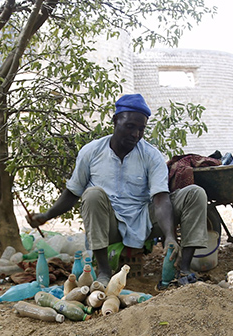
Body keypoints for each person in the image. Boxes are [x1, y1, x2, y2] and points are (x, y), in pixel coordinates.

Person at [26, 94, 207, 285]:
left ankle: (184, 268)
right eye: (130, 126)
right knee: (92, 194)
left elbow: (161, 198)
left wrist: (170, 235)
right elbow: (73, 192)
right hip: (108, 225)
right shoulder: (92, 151)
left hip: (144, 222)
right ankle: (104, 271)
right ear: (115, 120)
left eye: (141, 129)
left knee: (194, 193)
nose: (136, 134)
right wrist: (47, 215)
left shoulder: (151, 155)